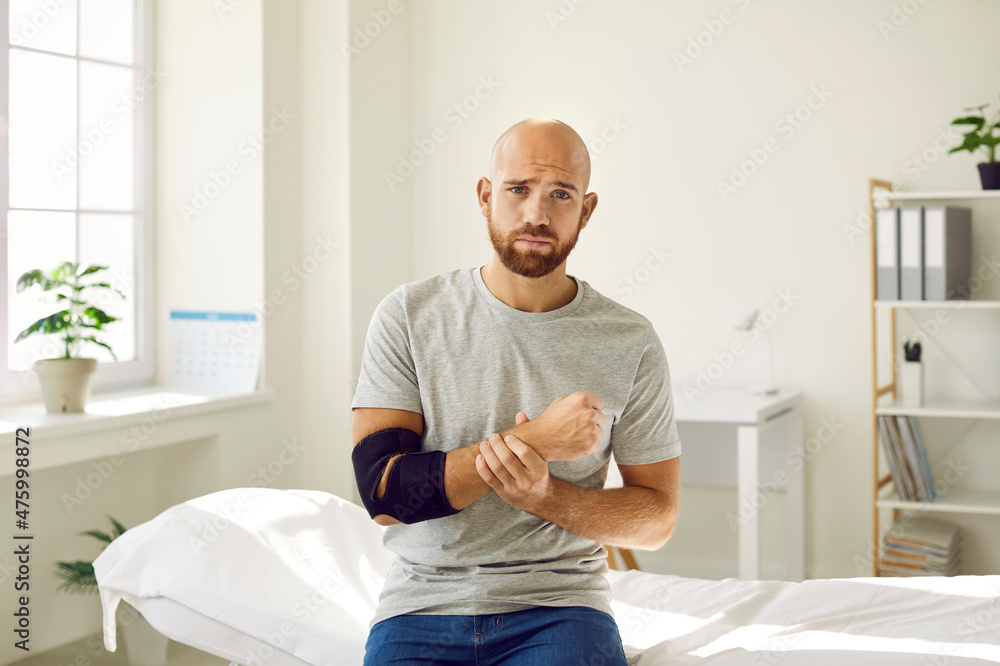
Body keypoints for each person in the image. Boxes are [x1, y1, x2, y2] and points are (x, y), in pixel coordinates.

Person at [351, 117, 681, 665]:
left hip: (561, 608)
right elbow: (383, 494)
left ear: (587, 209)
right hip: (422, 604)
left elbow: (657, 519)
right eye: (518, 189)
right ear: (485, 197)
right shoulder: (409, 315)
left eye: (560, 194)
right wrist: (533, 440)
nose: (536, 214)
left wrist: (547, 497)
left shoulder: (630, 340)